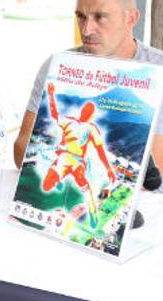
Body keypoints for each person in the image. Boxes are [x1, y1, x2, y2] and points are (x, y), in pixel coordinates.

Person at [13, 0, 163, 178]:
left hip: (151, 207)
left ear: (131, 19)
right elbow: (21, 153)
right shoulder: (56, 66)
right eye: (81, 16)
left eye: (100, 17)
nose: (87, 29)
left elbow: (153, 172)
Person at [41, 82, 117, 229]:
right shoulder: (69, 121)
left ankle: (93, 214)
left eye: (90, 112)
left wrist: (109, 169)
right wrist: (50, 95)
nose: (87, 113)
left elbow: (100, 150)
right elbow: (55, 114)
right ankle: (57, 181)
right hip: (63, 158)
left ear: (91, 115)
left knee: (84, 185)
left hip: (77, 163)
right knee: (46, 186)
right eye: (86, 110)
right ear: (82, 111)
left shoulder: (91, 129)